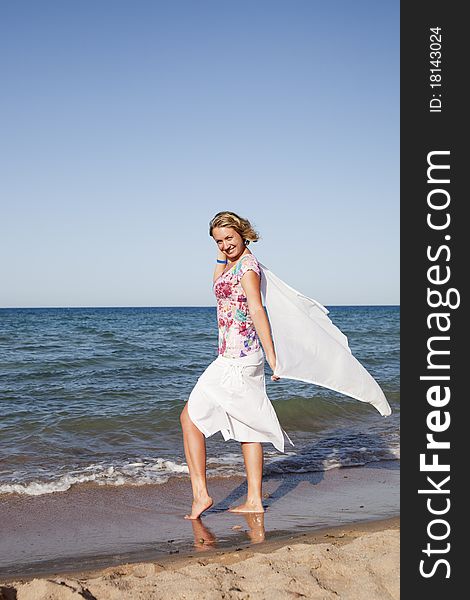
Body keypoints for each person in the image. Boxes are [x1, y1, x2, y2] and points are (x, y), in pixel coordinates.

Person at [180, 211, 293, 520]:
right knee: (248, 427)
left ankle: (201, 494)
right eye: (219, 241)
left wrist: (273, 356)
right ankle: (254, 500)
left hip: (238, 359)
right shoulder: (232, 264)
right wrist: (221, 254)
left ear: (243, 233)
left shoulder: (248, 268)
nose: (225, 244)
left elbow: (257, 309)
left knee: (189, 419)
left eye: (229, 238)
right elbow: (217, 285)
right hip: (236, 356)